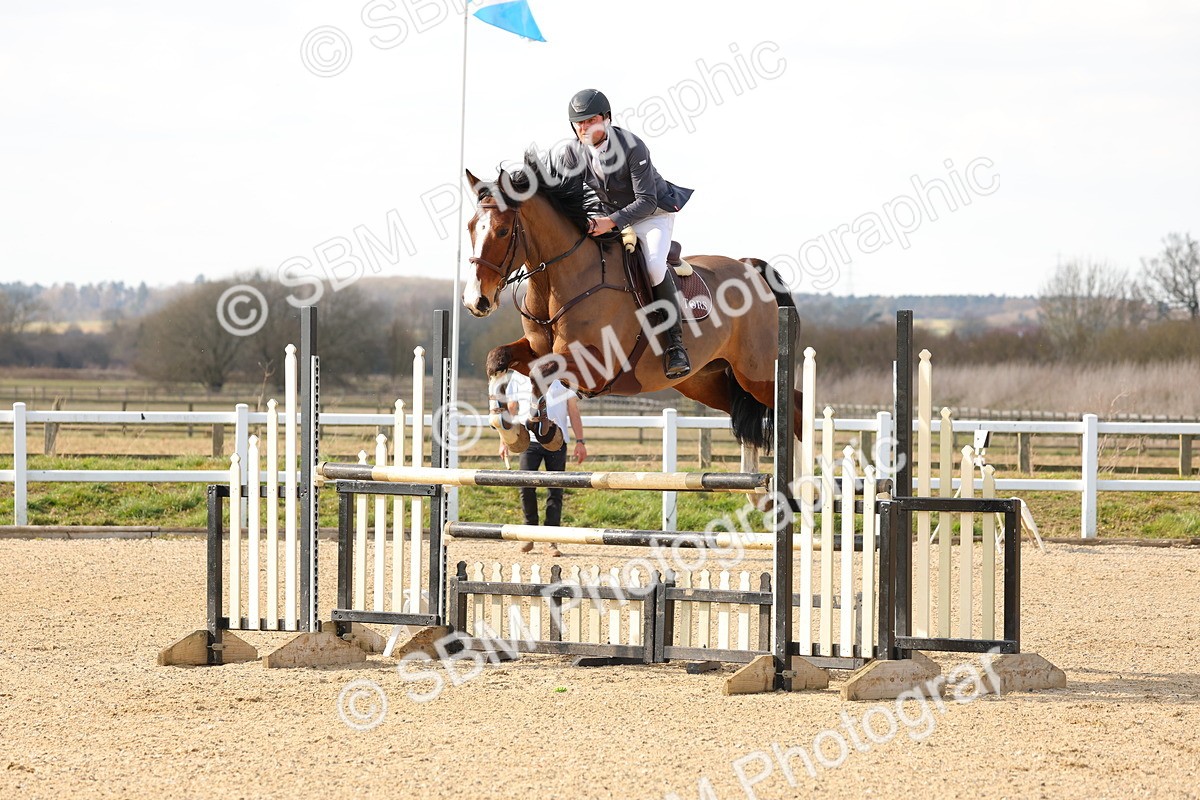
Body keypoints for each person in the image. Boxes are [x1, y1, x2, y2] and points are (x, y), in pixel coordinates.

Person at [554, 88, 695, 379]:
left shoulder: (632, 146)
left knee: (654, 267)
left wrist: (611, 222)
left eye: (590, 121)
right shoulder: (572, 152)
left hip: (650, 215)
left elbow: (647, 201)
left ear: (606, 119)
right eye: (579, 123)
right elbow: (571, 196)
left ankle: (675, 346)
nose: (584, 128)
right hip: (606, 216)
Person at [499, 373, 586, 557]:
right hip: (527, 440)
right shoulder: (518, 375)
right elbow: (512, 408)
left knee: (555, 491)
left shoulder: (563, 375)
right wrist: (504, 440)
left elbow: (572, 409)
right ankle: (529, 532)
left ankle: (551, 540)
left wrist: (580, 441)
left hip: (556, 440)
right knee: (525, 487)